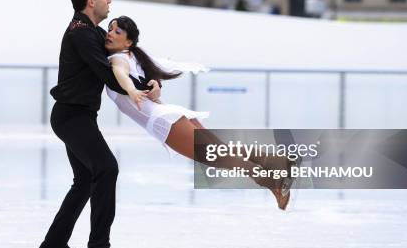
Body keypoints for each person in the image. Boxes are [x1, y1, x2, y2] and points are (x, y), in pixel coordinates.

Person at [104, 15, 294, 210]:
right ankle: (277, 161)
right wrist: (151, 85)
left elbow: (120, 73)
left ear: (128, 41)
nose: (110, 34)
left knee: (220, 158)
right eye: (110, 29)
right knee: (221, 151)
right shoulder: (133, 55)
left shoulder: (117, 59)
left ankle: (273, 183)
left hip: (163, 121)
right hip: (170, 114)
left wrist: (132, 90)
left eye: (117, 31)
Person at [35, 0, 161, 248]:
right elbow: (108, 74)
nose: (109, 0)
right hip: (71, 116)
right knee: (106, 168)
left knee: (84, 181)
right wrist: (140, 88)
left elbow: (121, 64)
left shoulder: (92, 33)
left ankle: (53, 244)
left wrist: (150, 82)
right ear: (91, 2)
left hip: (77, 116)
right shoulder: (81, 34)